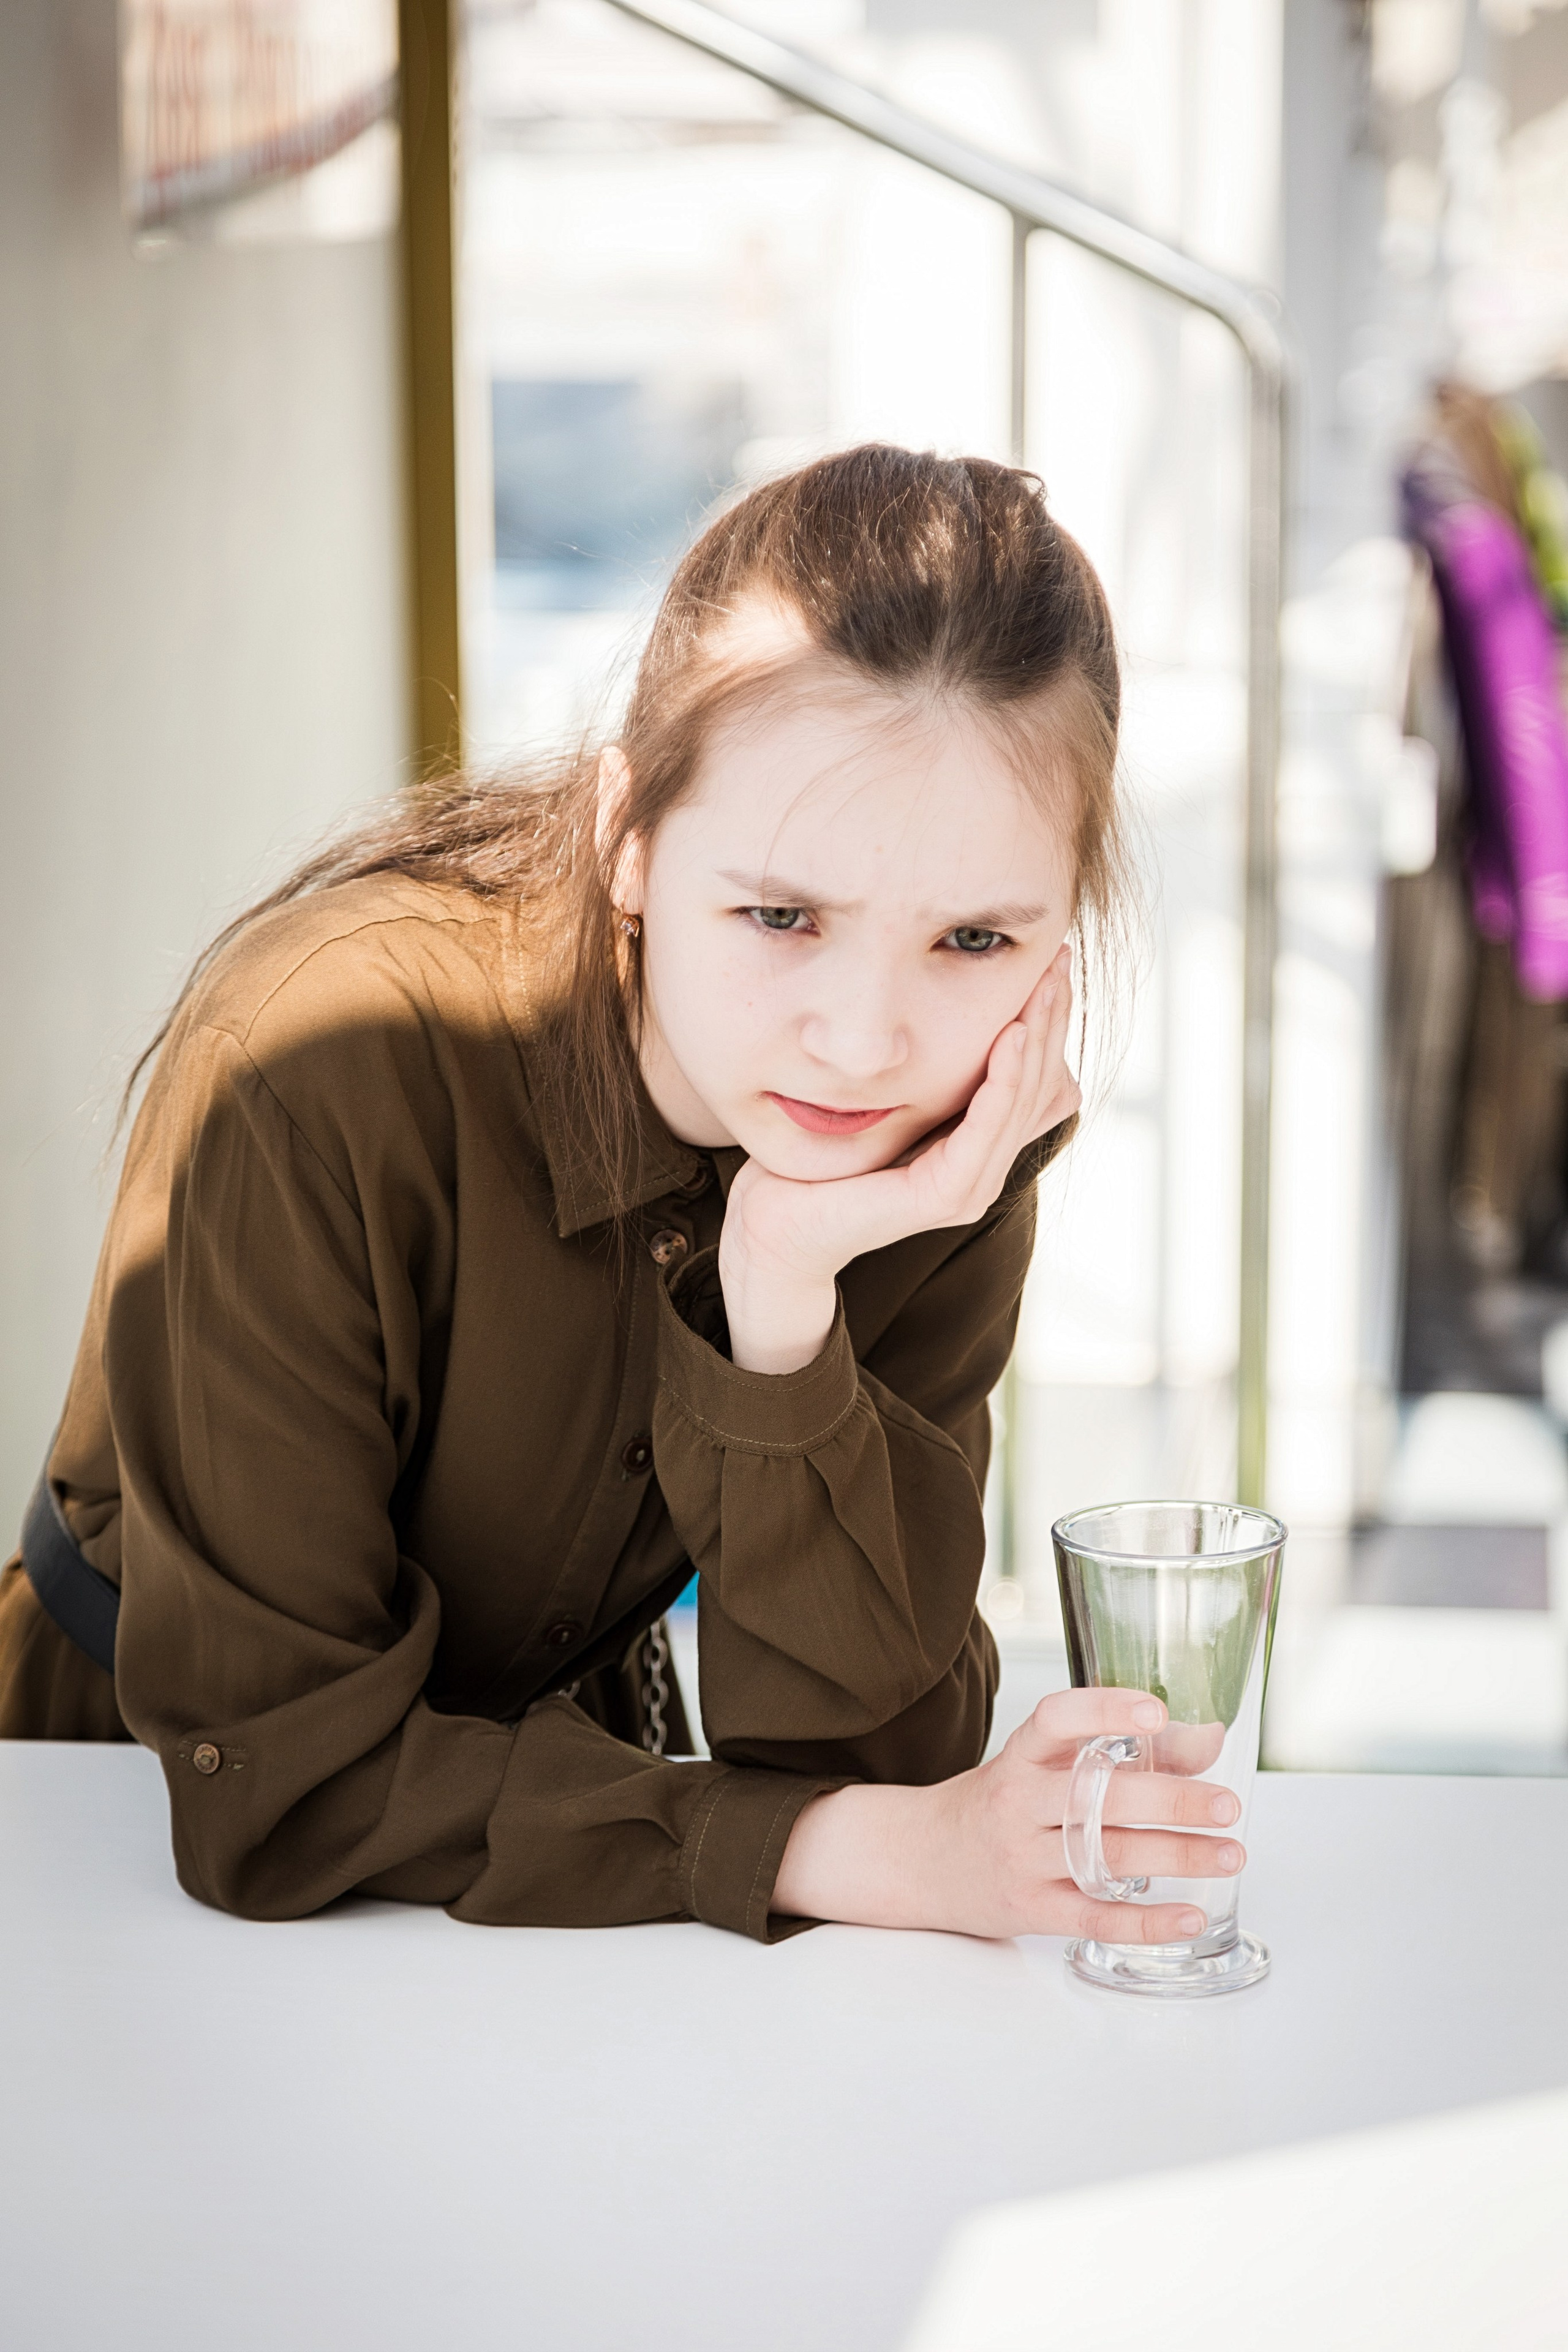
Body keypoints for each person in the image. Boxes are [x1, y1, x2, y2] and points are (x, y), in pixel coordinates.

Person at [0, 447, 1241, 1942]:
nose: (862, 1041)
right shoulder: (327, 1060)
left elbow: (875, 1759)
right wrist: (834, 1851)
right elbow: (280, 1782)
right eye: (782, 915)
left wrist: (780, 1314)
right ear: (627, 839)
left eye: (973, 939)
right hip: (107, 1852)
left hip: (560, 1868)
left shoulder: (948, 1130)